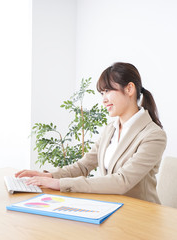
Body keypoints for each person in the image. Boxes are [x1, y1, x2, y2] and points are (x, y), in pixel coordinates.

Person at [16, 62, 167, 204]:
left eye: (107, 91)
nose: (104, 100)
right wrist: (48, 176)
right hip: (114, 207)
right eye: (102, 93)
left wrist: (59, 184)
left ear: (129, 89)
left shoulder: (153, 135)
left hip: (141, 214)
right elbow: (83, 166)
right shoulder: (111, 129)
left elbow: (122, 181)